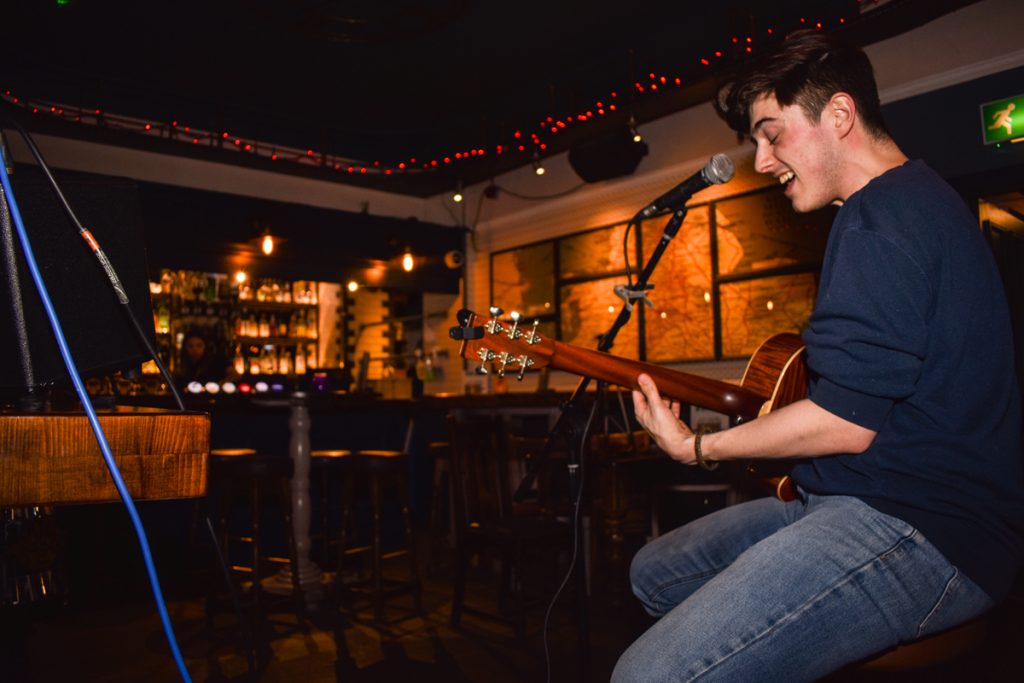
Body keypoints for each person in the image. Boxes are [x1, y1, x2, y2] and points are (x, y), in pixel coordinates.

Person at [613, 30, 1023, 682]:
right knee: (655, 569)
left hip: (926, 527)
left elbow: (844, 421)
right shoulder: (908, 202)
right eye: (755, 141)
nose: (763, 159)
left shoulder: (882, 216)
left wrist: (696, 447)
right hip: (856, 494)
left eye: (772, 134)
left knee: (644, 675)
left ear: (839, 115)